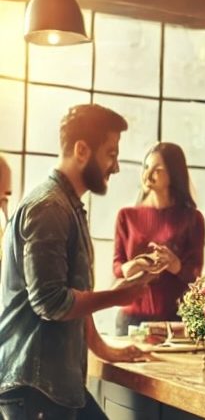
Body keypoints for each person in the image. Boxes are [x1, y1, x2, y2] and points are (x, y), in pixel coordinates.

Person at [0, 104, 157, 419]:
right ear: (82, 150)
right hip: (34, 389)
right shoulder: (49, 208)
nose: (115, 167)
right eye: (110, 154)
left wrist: (104, 350)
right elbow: (51, 303)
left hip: (56, 386)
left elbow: (74, 293)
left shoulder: (68, 207)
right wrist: (119, 296)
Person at [112, 142, 205, 336]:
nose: (148, 174)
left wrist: (175, 265)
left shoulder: (193, 219)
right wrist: (128, 268)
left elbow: (195, 274)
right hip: (130, 319)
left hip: (175, 320)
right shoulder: (126, 216)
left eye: (157, 169)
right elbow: (117, 265)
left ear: (173, 174)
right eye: (146, 167)